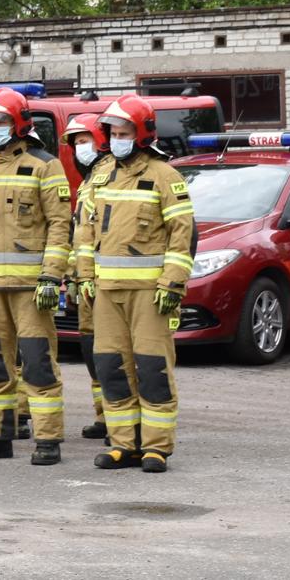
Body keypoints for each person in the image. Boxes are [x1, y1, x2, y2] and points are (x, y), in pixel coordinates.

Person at [0, 88, 72, 465]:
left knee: (37, 364)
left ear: (19, 124)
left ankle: (48, 440)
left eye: (1, 122)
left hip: (29, 289)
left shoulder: (45, 166)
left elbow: (59, 224)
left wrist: (50, 277)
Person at [78, 95, 193, 473]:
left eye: (123, 133)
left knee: (152, 367)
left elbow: (183, 233)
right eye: (112, 133)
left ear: (141, 134)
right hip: (107, 291)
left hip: (149, 293)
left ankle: (157, 447)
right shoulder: (102, 174)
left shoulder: (164, 176)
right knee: (111, 367)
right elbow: (86, 228)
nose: (115, 139)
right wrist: (84, 275)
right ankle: (123, 443)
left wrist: (172, 283)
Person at [63, 113, 112, 441]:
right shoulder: (90, 179)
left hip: (106, 283)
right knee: (93, 352)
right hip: (86, 284)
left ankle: (120, 419)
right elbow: (79, 236)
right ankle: (104, 416)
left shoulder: (109, 175)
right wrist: (72, 276)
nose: (80, 148)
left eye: (85, 141)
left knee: (111, 355)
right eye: (76, 143)